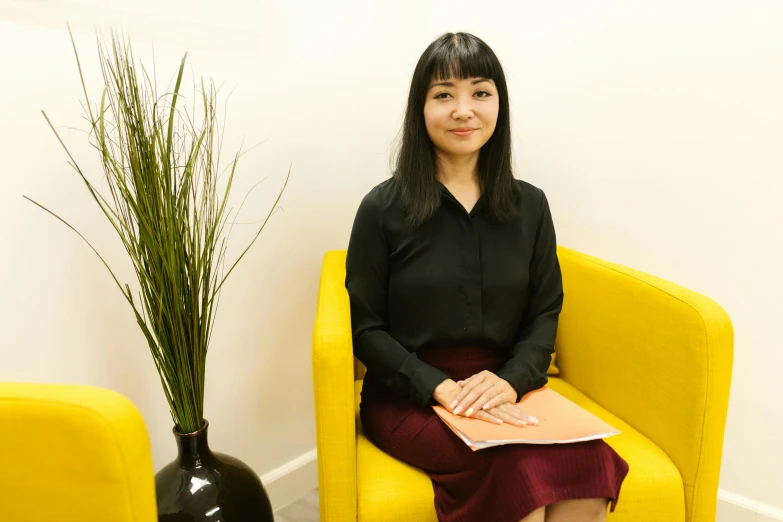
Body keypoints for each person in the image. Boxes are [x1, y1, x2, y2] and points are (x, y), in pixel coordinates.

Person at [345, 32, 629, 522]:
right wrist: (436, 385)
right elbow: (365, 328)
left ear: (499, 105)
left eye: (480, 92)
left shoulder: (530, 205)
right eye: (443, 95)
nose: (463, 110)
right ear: (420, 108)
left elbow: (544, 311)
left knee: (590, 458)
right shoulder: (382, 208)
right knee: (517, 469)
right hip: (408, 395)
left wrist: (509, 380)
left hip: (502, 383)